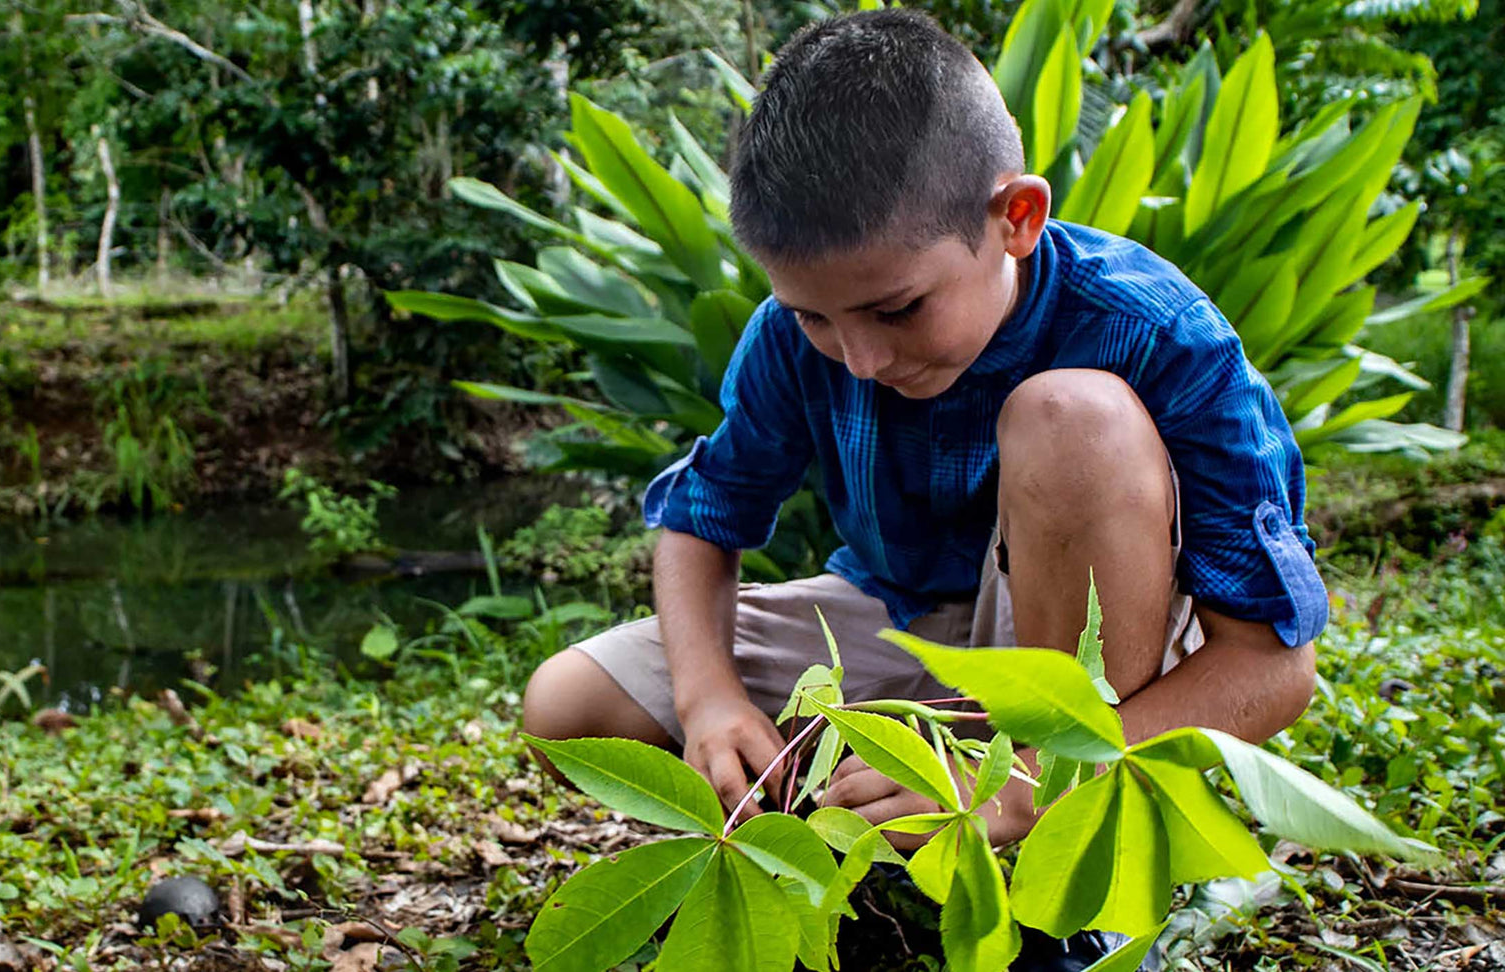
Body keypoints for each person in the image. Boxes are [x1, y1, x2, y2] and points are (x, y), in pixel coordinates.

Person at [521, 5, 1326, 886]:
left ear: (1015, 217)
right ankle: (825, 844)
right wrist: (708, 701)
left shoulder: (1155, 330)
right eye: (814, 315)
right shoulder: (790, 338)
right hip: (893, 620)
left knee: (1072, 418)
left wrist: (1034, 771)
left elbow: (1272, 666)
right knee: (570, 705)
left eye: (898, 308)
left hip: (1088, 671)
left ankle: (1065, 837)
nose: (860, 358)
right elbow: (703, 520)